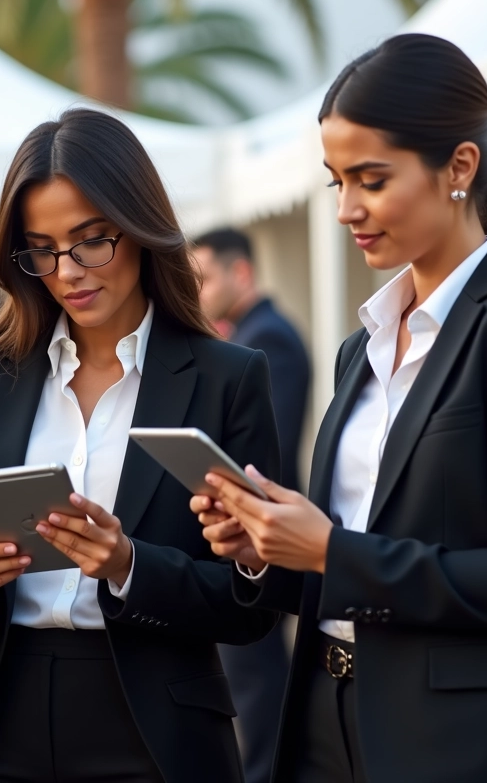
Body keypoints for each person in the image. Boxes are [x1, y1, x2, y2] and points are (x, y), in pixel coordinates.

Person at [194, 33, 487, 783]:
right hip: (326, 719)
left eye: (371, 179)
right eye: (335, 182)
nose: (348, 208)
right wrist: (265, 551)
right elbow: (349, 561)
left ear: (460, 167)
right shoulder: (363, 346)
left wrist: (330, 551)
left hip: (459, 741)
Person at [0, 108, 280, 783]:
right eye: (42, 248)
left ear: (141, 225)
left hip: (156, 727)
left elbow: (254, 607)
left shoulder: (228, 377)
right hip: (2, 717)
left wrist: (127, 564)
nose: (68, 272)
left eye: (92, 241)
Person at [193, 227, 309, 783]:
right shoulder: (251, 333)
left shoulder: (270, 339)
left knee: (257, 673)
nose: (198, 290)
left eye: (205, 277)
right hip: (245, 530)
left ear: (242, 273)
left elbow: (268, 449)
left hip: (265, 530)